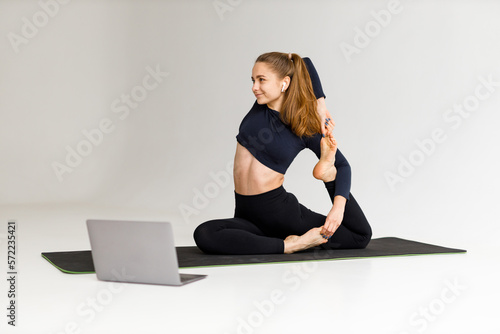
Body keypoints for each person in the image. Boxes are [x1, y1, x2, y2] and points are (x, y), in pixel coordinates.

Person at [194, 52, 372, 255]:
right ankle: (293, 245)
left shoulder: (304, 127)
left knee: (360, 237)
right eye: (253, 80)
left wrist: (337, 209)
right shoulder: (259, 108)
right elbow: (300, 63)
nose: (254, 87)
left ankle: (327, 175)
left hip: (281, 214)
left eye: (262, 80)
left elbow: (344, 165)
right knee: (205, 233)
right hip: (246, 215)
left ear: (284, 83)